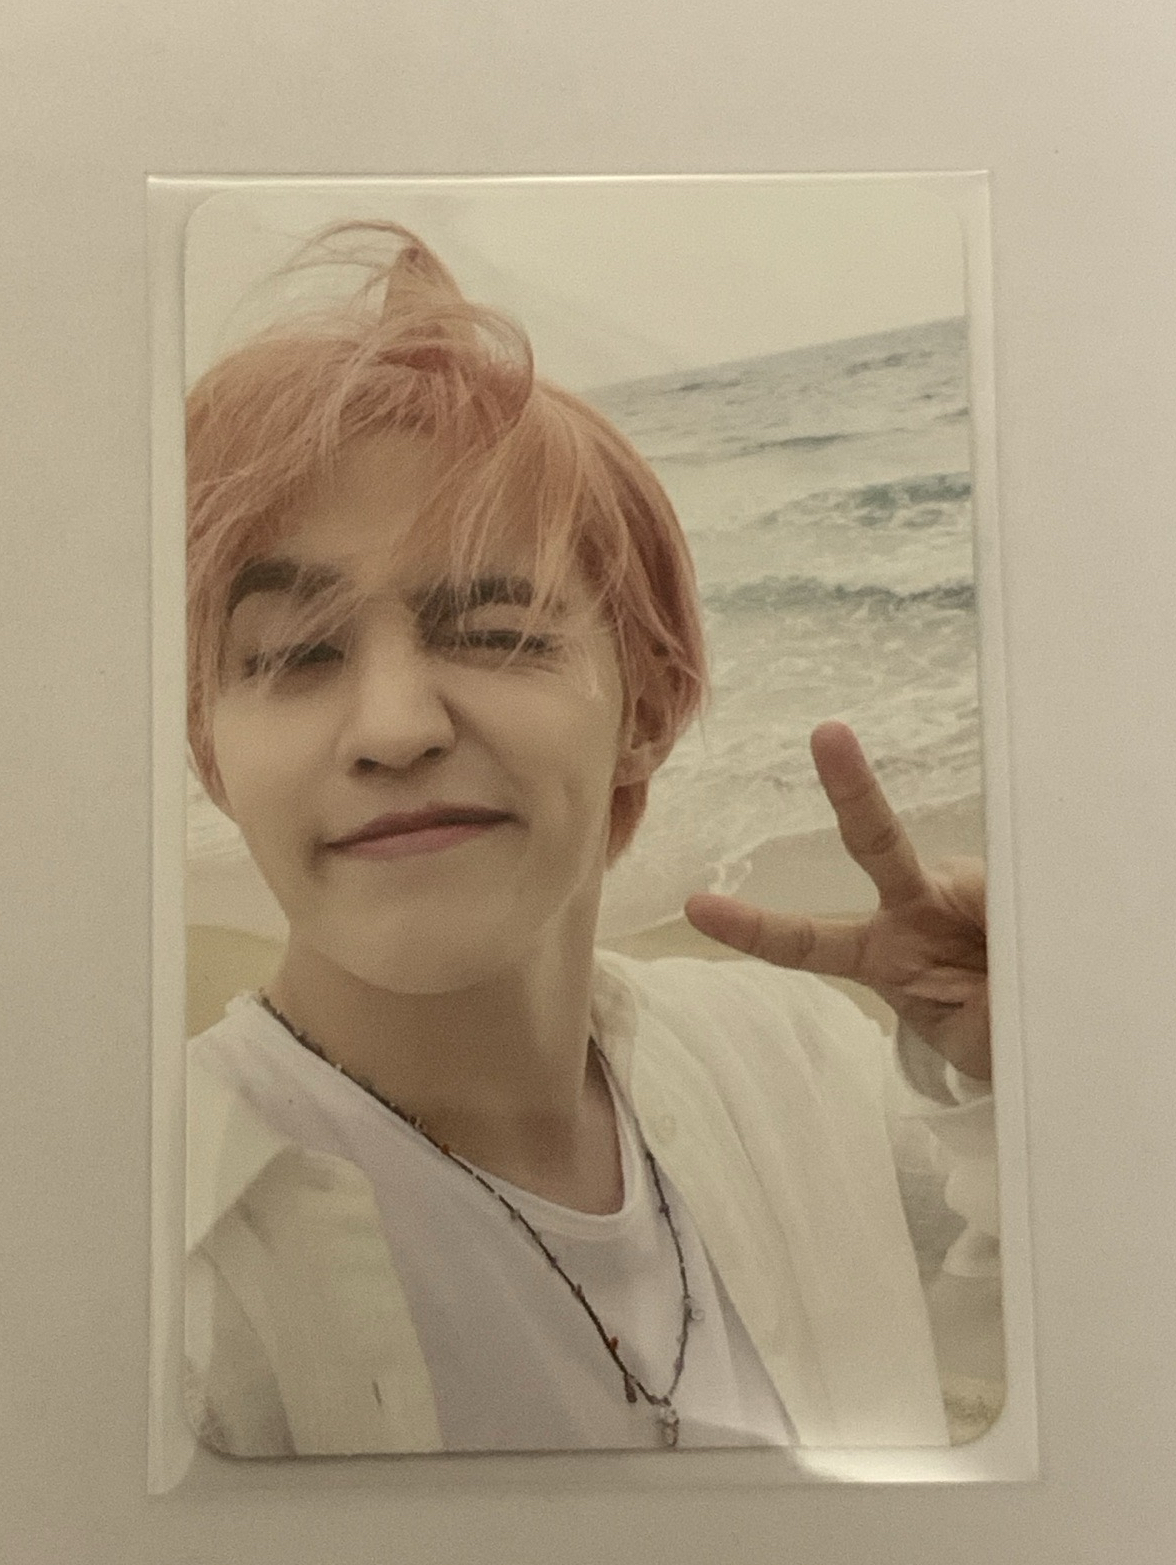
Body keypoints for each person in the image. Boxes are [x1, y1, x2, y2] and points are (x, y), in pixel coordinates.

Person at [184, 221, 993, 1458]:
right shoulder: (159, 1253)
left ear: (648, 702)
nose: (395, 726)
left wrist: (1023, 1072)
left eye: (496, 629)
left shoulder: (798, 1059)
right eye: (294, 653)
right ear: (212, 754)